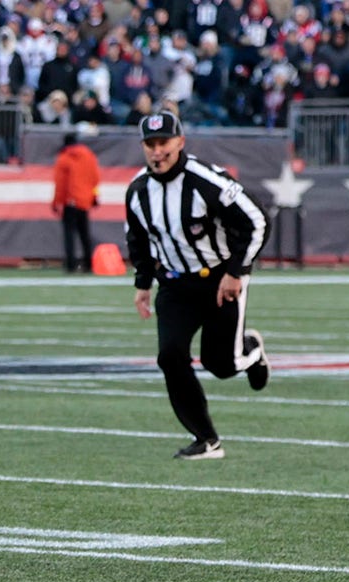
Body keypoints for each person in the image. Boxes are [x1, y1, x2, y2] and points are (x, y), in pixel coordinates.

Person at [124, 111, 271, 460]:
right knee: (170, 356)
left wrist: (236, 271)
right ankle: (206, 439)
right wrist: (143, 284)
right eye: (150, 144)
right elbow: (138, 240)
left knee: (220, 364)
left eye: (164, 143)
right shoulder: (138, 189)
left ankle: (252, 352)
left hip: (219, 280)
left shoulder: (206, 180)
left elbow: (257, 220)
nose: (157, 151)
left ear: (180, 142)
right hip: (174, 284)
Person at [52, 132, 101, 273]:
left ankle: (71, 265)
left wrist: (56, 202)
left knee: (69, 235)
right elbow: (95, 178)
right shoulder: (89, 156)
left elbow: (60, 184)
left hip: (70, 201)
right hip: (85, 201)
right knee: (85, 234)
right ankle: (88, 264)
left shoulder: (64, 158)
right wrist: (94, 197)